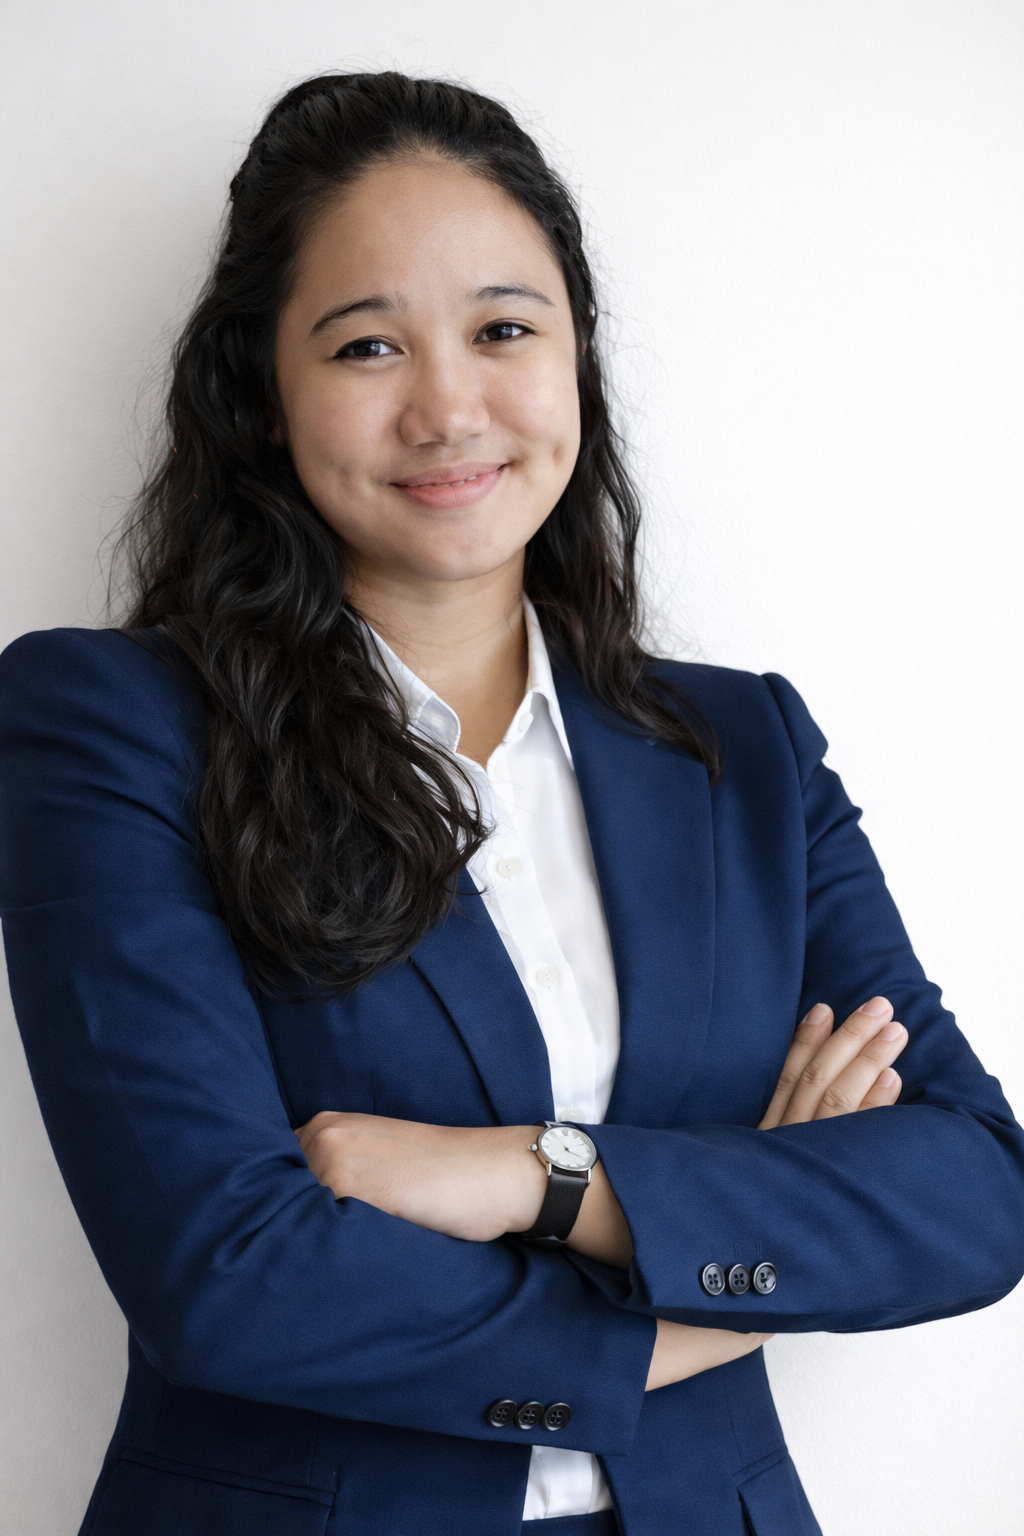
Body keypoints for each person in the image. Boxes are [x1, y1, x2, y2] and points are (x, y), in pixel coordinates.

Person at [0, 71, 1021, 1536]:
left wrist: (531, 1181)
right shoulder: (114, 727)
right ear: (260, 390)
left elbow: (972, 1196)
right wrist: (728, 1281)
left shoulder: (744, 747)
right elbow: (227, 1279)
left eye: (503, 330)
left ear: (576, 363)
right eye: (366, 345)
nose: (449, 406)